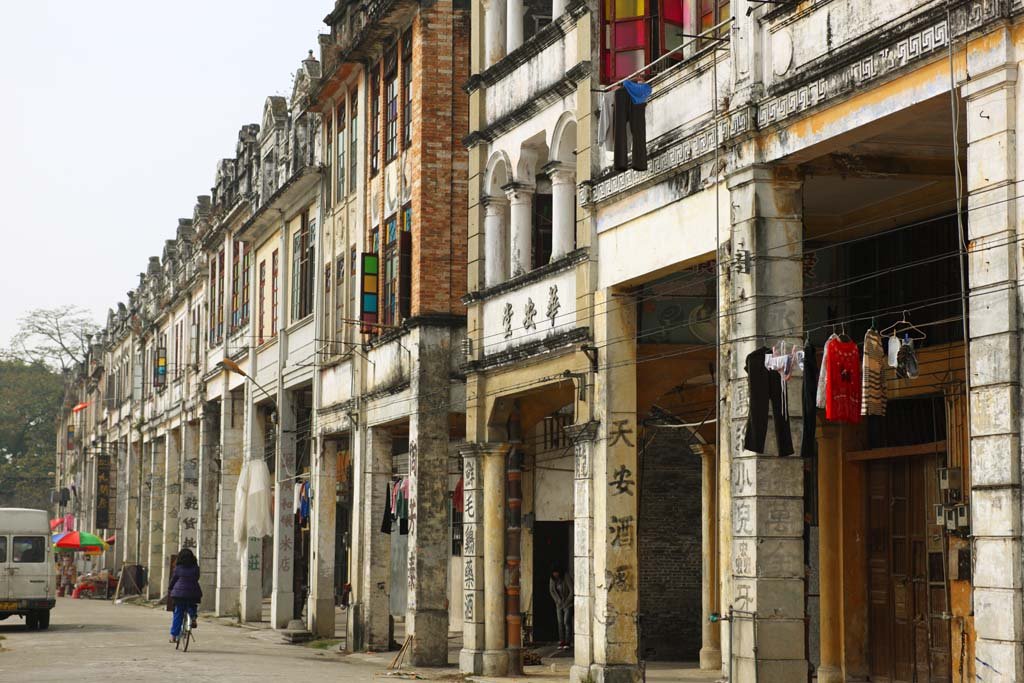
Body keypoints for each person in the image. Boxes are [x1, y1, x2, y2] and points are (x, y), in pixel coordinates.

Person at [167, 547, 202, 643]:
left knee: (178, 613)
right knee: (192, 605)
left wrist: (170, 588)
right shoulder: (195, 568)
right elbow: (197, 577)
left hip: (179, 594)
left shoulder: (178, 568)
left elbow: (173, 580)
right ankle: (193, 617)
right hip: (193, 592)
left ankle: (173, 636)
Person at [549, 568, 573, 649]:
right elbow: (552, 590)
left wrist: (566, 602)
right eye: (553, 573)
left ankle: (568, 641)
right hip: (559, 604)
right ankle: (561, 641)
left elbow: (571, 590)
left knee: (566, 621)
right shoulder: (552, 579)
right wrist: (557, 600)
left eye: (556, 572)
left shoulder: (566, 577)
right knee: (560, 622)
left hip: (568, 603)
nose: (555, 574)